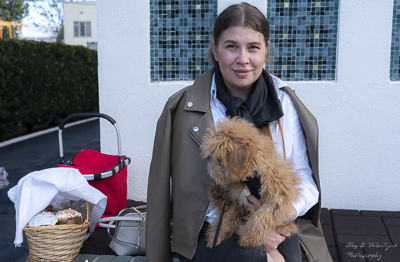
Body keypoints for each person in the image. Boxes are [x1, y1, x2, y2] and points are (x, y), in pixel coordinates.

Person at [146, 2, 332, 262]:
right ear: (215, 49)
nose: (242, 59)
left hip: (277, 219)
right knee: (252, 257)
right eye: (231, 46)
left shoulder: (285, 104)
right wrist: (243, 226)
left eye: (253, 47)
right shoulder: (183, 108)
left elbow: (305, 178)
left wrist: (273, 217)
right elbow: (168, 193)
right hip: (209, 229)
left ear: (266, 50)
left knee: (290, 253)